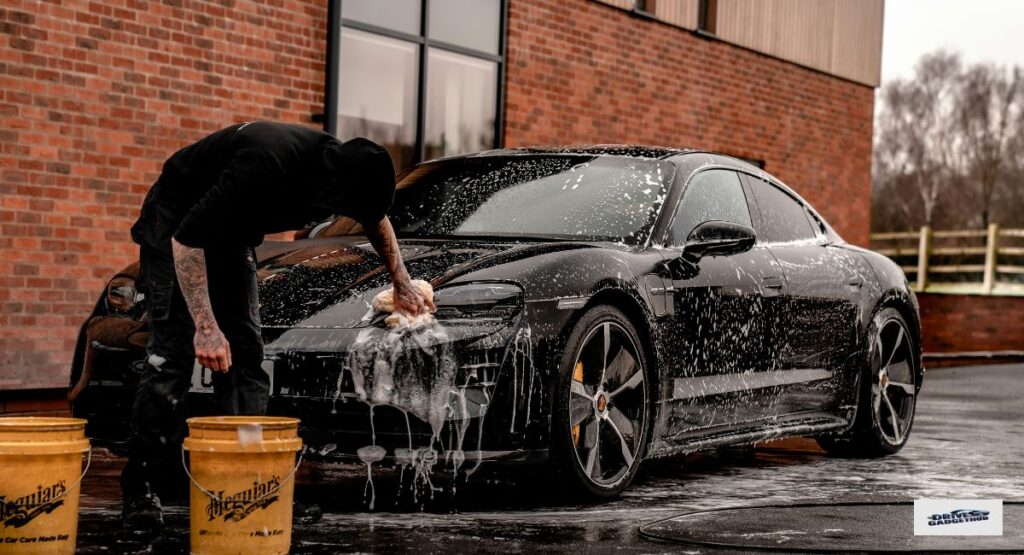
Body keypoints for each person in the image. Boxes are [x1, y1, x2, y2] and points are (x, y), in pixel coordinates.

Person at [121, 121, 435, 531]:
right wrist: (206, 326)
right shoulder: (266, 163)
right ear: (331, 185)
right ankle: (143, 486)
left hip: (230, 233)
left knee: (247, 356)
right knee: (173, 355)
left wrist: (402, 281)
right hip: (175, 228)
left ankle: (248, 482)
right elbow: (187, 241)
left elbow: (377, 221)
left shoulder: (349, 169)